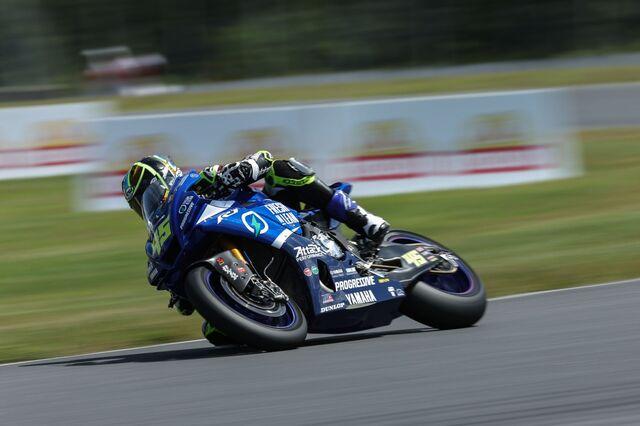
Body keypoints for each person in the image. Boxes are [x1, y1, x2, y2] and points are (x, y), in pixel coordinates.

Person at [121, 151, 389, 345]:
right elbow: (185, 306)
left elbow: (263, 158)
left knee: (283, 169)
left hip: (281, 218)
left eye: (149, 193)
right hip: (241, 258)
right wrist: (182, 294)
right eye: (140, 204)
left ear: (165, 177)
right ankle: (272, 310)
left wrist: (244, 168)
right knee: (215, 333)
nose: (147, 204)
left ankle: (367, 222)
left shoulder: (201, 181)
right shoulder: (159, 239)